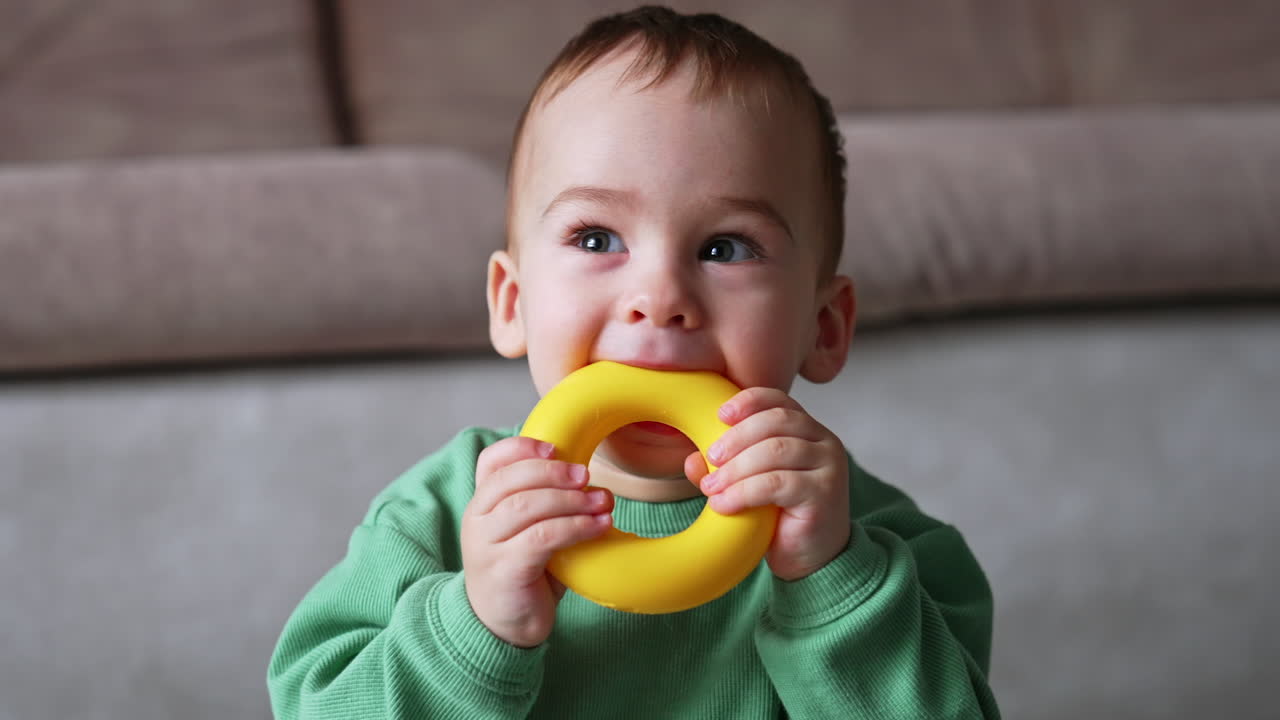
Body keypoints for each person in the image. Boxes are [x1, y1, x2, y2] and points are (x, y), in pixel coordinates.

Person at [268, 6, 999, 718]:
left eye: (725, 248)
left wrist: (835, 584)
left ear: (825, 326)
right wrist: (472, 628)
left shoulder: (882, 547)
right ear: (512, 302)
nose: (659, 297)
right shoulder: (436, 518)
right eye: (595, 238)